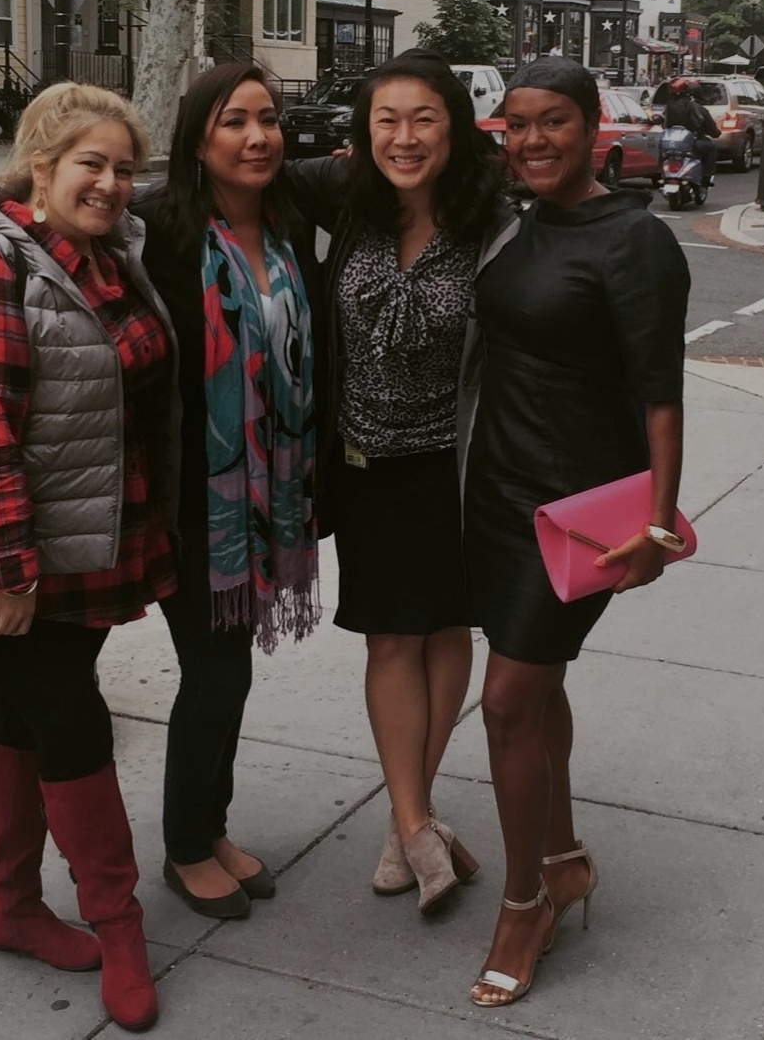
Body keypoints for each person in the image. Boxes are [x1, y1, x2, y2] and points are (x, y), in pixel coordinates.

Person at [0, 81, 180, 1033]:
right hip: (20, 557)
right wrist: (9, 568)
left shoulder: (106, 258)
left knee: (25, 717)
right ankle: (118, 924)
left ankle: (13, 904)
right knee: (72, 724)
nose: (110, 183)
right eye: (90, 164)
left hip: (89, 539)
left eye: (123, 168)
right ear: (40, 165)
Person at [459, 57, 689, 1007]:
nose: (532, 140)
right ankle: (561, 857)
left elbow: (661, 395)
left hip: (577, 512)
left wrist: (657, 525)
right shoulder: (519, 221)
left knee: (506, 700)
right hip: (497, 491)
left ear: (594, 127)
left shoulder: (635, 240)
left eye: (552, 121)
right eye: (515, 124)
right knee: (536, 685)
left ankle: (525, 904)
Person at [285, 50, 516, 916]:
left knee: (447, 629)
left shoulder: (491, 217)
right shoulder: (348, 196)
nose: (404, 137)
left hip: (453, 465)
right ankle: (418, 823)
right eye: (386, 119)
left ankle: (404, 820)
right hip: (366, 463)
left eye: (423, 118)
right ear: (364, 132)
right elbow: (231, 171)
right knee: (390, 639)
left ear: (453, 127)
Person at [132, 63, 326, 921]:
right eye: (234, 121)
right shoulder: (156, 230)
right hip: (187, 496)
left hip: (266, 493)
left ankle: (209, 828)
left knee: (230, 669)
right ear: (197, 140)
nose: (257, 137)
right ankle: (184, 845)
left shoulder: (290, 224)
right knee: (213, 673)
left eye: (269, 119)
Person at [664, 76, 719, 185]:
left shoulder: (669, 106)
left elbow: (663, 123)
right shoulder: (694, 106)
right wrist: (714, 133)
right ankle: (706, 177)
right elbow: (704, 123)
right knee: (711, 148)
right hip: (690, 142)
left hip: (670, 144)